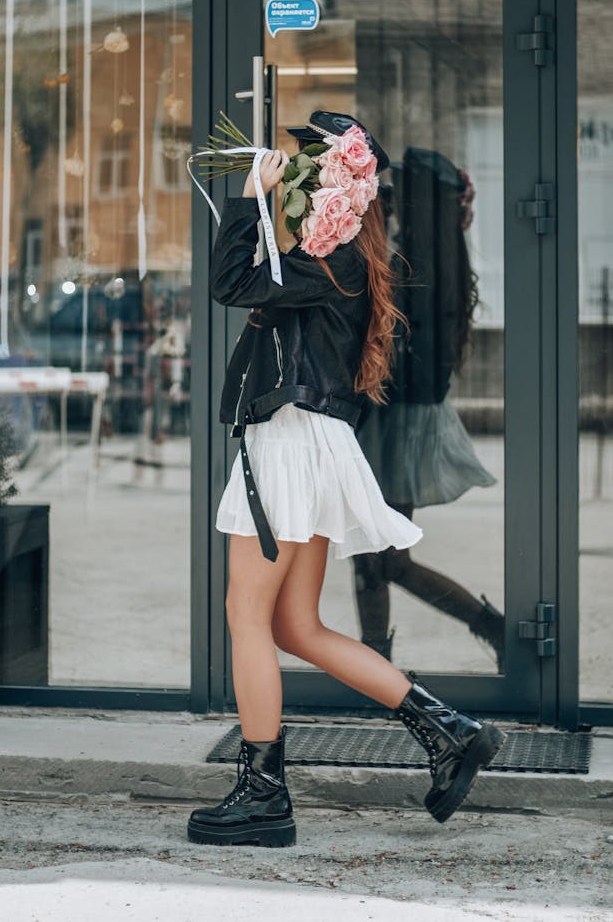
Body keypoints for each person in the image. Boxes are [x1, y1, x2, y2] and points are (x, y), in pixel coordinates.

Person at [187, 111, 505, 849]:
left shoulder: (330, 261)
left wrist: (250, 202)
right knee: (296, 625)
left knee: (246, 614)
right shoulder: (339, 258)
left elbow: (230, 281)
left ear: (331, 184)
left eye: (304, 166)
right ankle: (450, 731)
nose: (293, 177)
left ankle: (263, 793)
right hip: (312, 443)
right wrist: (271, 215)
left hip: (292, 442)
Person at [353, 148, 504, 670]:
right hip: (405, 421)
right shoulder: (440, 255)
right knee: (379, 558)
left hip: (392, 424)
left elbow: (390, 351)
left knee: (378, 559)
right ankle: (487, 630)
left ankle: (378, 668)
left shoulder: (413, 266)